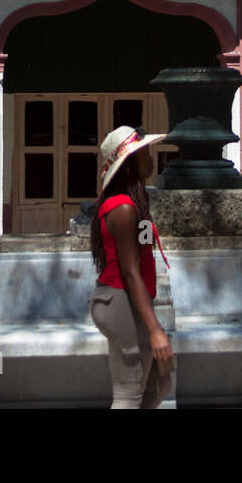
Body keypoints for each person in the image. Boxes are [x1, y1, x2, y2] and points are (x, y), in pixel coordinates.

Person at [88, 125, 174, 408]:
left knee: (159, 383)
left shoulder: (136, 204)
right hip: (121, 301)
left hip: (127, 300)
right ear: (127, 164)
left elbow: (144, 249)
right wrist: (155, 330)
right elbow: (130, 270)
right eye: (144, 154)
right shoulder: (123, 208)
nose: (150, 159)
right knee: (128, 394)